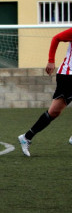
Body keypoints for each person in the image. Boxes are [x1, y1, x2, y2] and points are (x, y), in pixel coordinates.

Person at [18, 27, 72, 156]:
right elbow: (56, 38)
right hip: (68, 75)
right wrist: (51, 61)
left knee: (54, 112)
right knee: (54, 112)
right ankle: (26, 137)